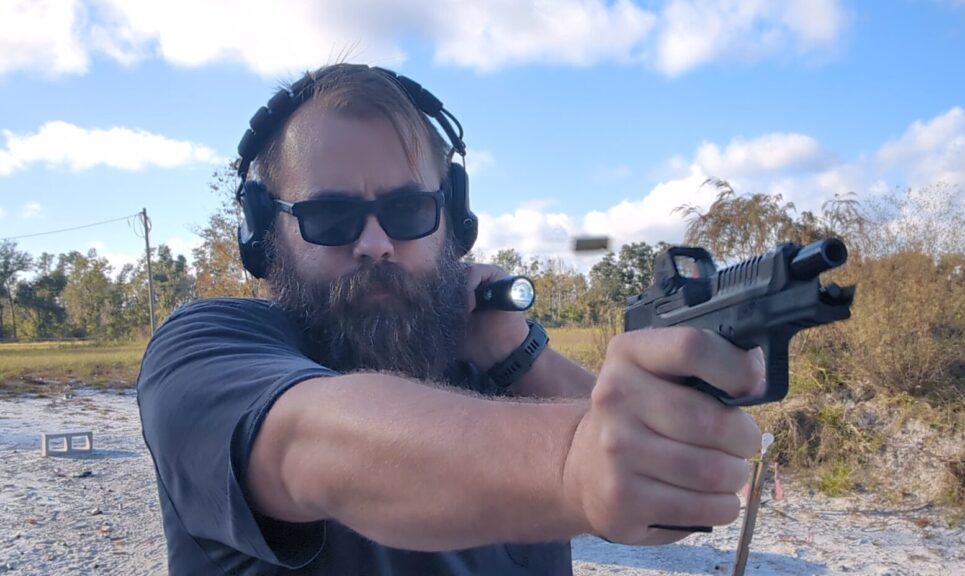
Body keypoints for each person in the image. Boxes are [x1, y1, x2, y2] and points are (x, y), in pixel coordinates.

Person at [137, 63, 765, 575]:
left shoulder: (490, 359)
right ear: (265, 234)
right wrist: (573, 462)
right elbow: (310, 443)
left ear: (454, 220)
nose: (376, 244)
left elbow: (662, 501)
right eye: (329, 217)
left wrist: (517, 354)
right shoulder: (204, 351)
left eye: (408, 210)